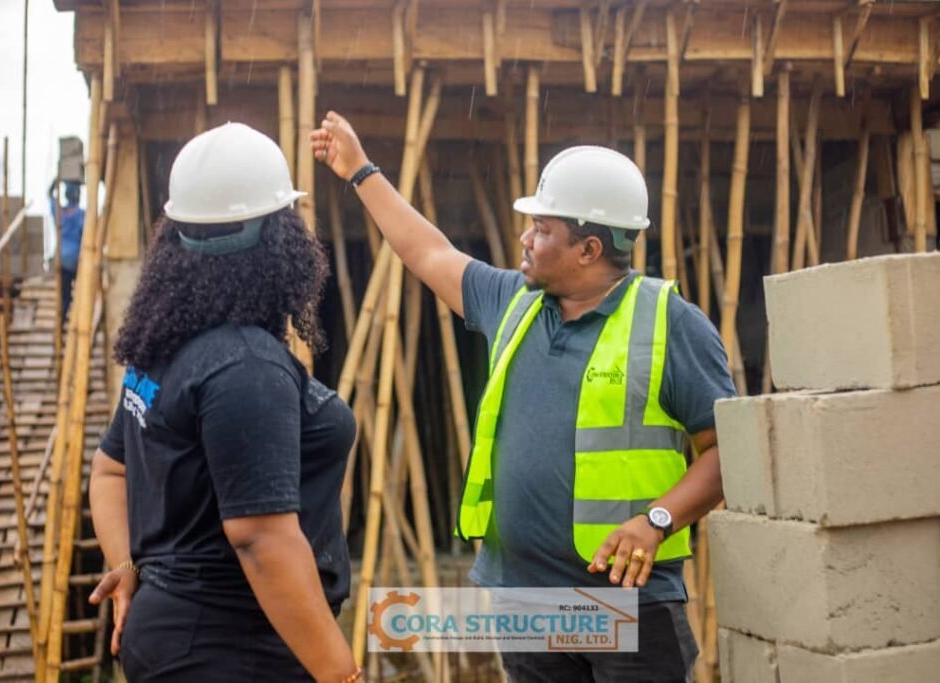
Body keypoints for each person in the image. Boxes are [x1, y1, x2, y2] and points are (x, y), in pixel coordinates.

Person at [310, 113, 735, 682]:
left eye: (541, 229)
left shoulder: (670, 323)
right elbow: (428, 253)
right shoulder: (513, 302)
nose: (525, 240)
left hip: (629, 606)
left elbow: (726, 453)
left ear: (588, 248)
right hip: (527, 601)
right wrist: (361, 171)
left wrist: (656, 521)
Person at [88, 123, 362, 683]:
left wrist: (127, 565)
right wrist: (343, 676)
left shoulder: (165, 348)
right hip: (236, 649)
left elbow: (109, 469)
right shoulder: (246, 367)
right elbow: (261, 540)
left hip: (171, 638)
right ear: (280, 240)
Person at [47, 180, 84, 318]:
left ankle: (62, 320)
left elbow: (49, 195)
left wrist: (57, 180)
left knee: (65, 294)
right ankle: (68, 319)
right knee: (77, 293)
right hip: (76, 260)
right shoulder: (81, 214)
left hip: (61, 259)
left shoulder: (59, 212)